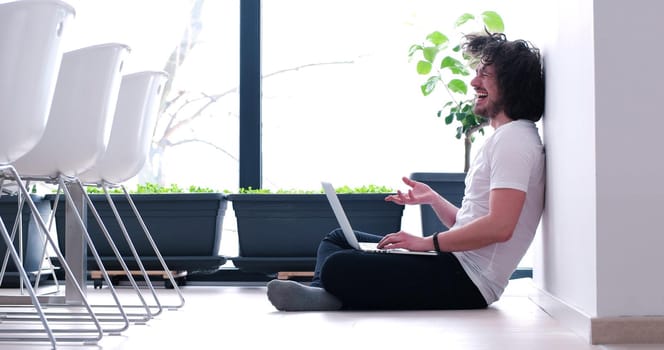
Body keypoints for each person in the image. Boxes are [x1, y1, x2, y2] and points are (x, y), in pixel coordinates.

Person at [266, 32, 546, 311]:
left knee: (339, 265)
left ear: (511, 84)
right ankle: (322, 295)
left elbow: (499, 227)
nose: (473, 82)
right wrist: (434, 199)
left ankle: (327, 293)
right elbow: (474, 224)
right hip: (456, 263)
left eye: (484, 75)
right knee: (338, 238)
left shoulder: (514, 141)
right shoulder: (507, 138)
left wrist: (425, 243)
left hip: (469, 281)